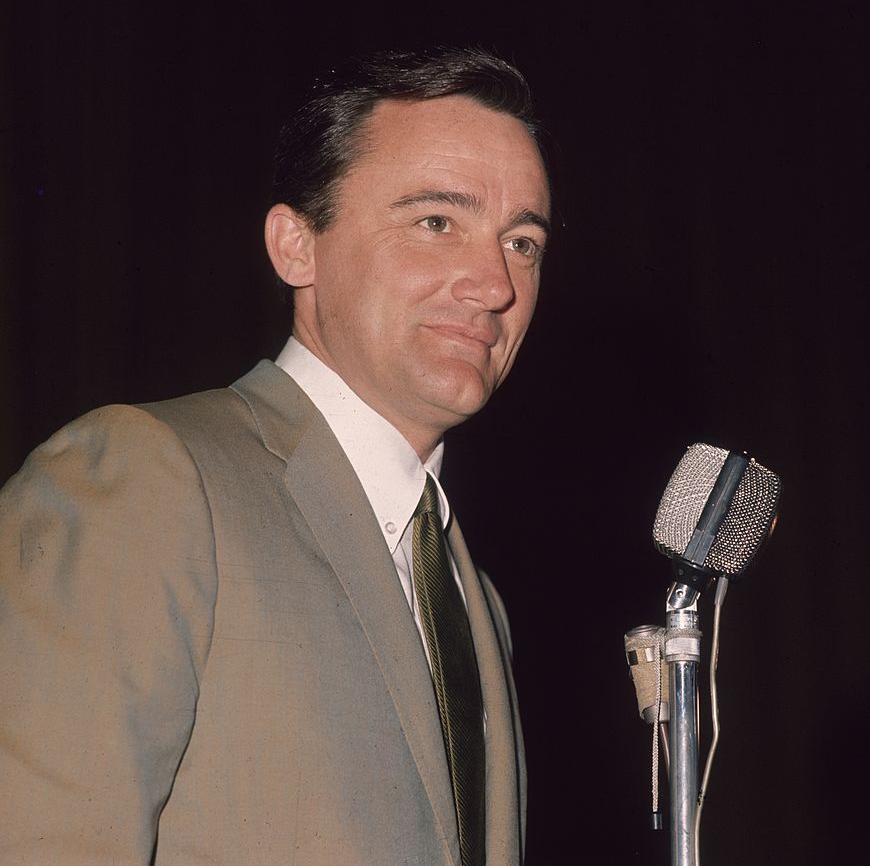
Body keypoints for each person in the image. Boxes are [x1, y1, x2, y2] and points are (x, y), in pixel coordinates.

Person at [0, 48, 551, 865]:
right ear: (297, 248)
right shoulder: (147, 478)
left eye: (523, 242)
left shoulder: (475, 595)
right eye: (437, 222)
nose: (495, 283)